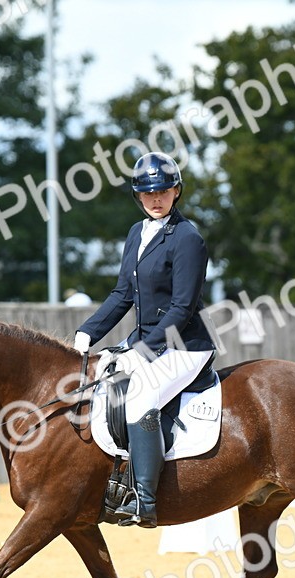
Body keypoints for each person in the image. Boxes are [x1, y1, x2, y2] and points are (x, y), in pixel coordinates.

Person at [74, 152, 216, 527]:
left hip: (186, 345)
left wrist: (144, 350)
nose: (156, 199)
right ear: (138, 196)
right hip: (147, 339)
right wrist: (88, 331)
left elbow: (182, 307)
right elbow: (123, 293)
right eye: (148, 193)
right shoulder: (138, 233)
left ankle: (145, 500)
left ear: (176, 192)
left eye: (164, 191)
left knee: (139, 398)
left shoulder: (187, 238)